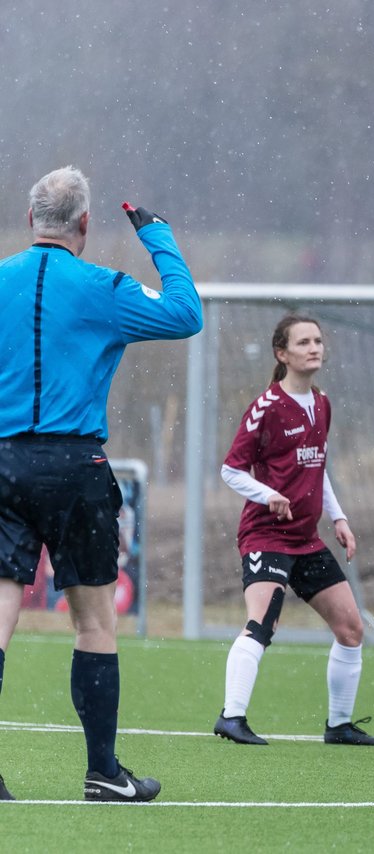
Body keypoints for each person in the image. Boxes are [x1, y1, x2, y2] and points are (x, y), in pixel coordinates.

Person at [0, 166, 202, 802]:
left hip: (3, 463)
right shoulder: (101, 286)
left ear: (32, 219)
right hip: (73, 467)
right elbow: (184, 313)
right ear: (85, 224)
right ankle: (103, 772)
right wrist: (160, 237)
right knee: (93, 623)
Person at [214, 314, 374, 748]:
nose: (314, 348)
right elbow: (231, 470)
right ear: (281, 353)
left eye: (318, 341)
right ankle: (231, 717)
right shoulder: (266, 407)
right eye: (303, 342)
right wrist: (266, 492)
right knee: (263, 622)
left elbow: (317, 468)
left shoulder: (322, 405)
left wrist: (340, 518)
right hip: (266, 535)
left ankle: (339, 725)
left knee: (351, 628)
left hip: (306, 539)